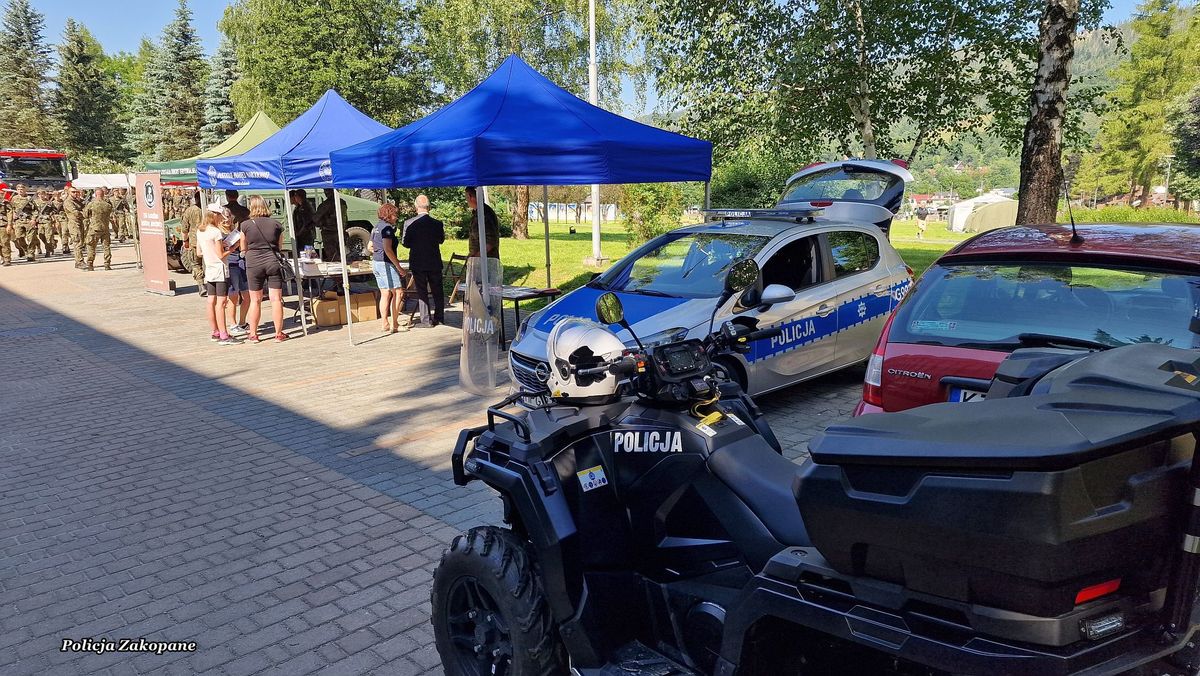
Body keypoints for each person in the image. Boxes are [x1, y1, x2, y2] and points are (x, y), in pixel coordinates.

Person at [240, 195, 288, 342]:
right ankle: (278, 334)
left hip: (253, 263)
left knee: (255, 300)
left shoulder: (245, 225)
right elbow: (279, 246)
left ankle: (253, 334)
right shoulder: (276, 224)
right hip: (272, 261)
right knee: (276, 299)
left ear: (251, 207)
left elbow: (243, 247)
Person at [403, 194, 446, 327]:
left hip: (418, 262)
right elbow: (441, 240)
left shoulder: (409, 223)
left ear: (416, 207)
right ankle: (439, 318)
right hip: (434, 261)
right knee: (437, 291)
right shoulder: (437, 224)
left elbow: (405, 243)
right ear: (429, 207)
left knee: (422, 291)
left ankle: (426, 320)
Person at [198, 205, 238, 345]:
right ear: (214, 215)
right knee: (221, 303)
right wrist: (232, 248)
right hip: (220, 269)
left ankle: (215, 331)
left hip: (209, 269)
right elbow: (221, 255)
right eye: (220, 215)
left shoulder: (200, 230)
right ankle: (224, 335)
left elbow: (199, 252)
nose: (222, 217)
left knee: (211, 301)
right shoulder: (216, 232)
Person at [370, 203, 409, 333]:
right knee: (398, 292)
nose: (396, 217)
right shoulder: (387, 229)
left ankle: (385, 323)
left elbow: (369, 246)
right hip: (385, 264)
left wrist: (377, 252)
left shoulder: (376, 227)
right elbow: (388, 249)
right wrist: (399, 267)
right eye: (395, 214)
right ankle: (395, 324)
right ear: (389, 214)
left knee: (385, 293)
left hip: (376, 263)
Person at [82, 187, 115, 271]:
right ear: (103, 194)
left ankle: (90, 264)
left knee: (91, 246)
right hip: (105, 228)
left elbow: (85, 215)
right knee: (106, 247)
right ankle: (107, 264)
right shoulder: (107, 205)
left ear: (95, 194)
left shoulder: (91, 204)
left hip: (94, 228)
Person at [179, 192, 205, 295]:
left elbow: (184, 229)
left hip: (194, 241)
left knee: (196, 264)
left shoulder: (189, 211)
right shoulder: (208, 210)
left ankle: (201, 285)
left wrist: (185, 241)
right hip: (208, 241)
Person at [465, 186, 499, 259]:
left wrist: (477, 256)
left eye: (466, 197)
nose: (466, 200)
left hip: (487, 260)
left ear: (470, 196)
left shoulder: (484, 213)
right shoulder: (478, 212)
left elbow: (491, 241)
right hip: (480, 259)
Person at [314, 188, 347, 262]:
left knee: (332, 256)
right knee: (341, 254)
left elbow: (316, 218)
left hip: (329, 233)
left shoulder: (326, 204)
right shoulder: (342, 202)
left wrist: (320, 223)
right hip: (341, 232)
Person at [10, 184, 36, 263]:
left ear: (25, 190)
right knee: (19, 238)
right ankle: (26, 250)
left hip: (28, 220)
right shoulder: (14, 198)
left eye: (22, 189)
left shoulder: (29, 199)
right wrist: (13, 215)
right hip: (19, 221)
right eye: (18, 189)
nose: (20, 191)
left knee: (31, 238)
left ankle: (31, 253)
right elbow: (11, 208)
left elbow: (35, 210)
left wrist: (33, 219)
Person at [64, 188, 85, 268]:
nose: (75, 193)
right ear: (69, 193)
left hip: (80, 222)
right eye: (73, 192)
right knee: (77, 242)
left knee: (81, 242)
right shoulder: (68, 202)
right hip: (74, 223)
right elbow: (75, 212)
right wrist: (85, 213)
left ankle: (78, 261)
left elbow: (84, 208)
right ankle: (79, 261)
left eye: (77, 192)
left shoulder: (77, 201)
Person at [33, 189, 56, 258]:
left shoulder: (49, 202)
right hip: (39, 221)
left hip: (47, 221)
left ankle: (48, 251)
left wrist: (50, 214)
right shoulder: (35, 202)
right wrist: (34, 219)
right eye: (40, 194)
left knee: (48, 236)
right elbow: (33, 211)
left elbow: (55, 210)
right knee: (41, 236)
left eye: (43, 194)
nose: (41, 195)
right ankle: (50, 245)